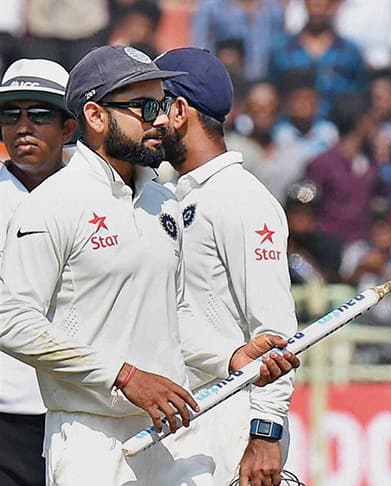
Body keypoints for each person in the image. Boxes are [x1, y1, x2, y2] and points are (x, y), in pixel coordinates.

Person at [0, 45, 299, 486]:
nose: (161, 118)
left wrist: (228, 357)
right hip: (91, 439)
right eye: (145, 106)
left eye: (162, 103)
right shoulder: (52, 203)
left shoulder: (164, 201)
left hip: (171, 434)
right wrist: (123, 377)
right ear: (96, 116)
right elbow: (11, 319)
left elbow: (173, 316)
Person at [155, 47, 298, 486]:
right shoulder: (174, 195)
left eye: (151, 105)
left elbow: (275, 331)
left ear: (179, 111)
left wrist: (266, 433)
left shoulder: (243, 199)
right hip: (187, 422)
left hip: (233, 429)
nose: (146, 121)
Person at [0, 58, 77, 486]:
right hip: (4, 416)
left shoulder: (96, 200)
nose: (22, 127)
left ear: (68, 128)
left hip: (76, 409)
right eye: (11, 114)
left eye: (40, 114)